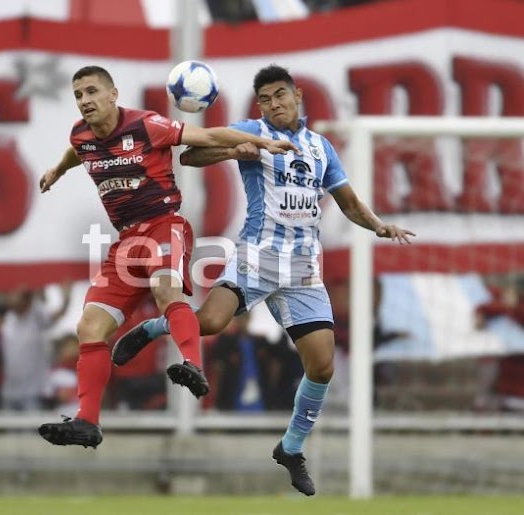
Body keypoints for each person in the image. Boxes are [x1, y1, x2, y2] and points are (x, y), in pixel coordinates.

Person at [112, 64, 415, 495]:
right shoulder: (248, 131)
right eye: (266, 99)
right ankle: (152, 328)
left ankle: (291, 448)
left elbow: (347, 202)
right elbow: (191, 156)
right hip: (258, 255)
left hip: (304, 268)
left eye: (279, 95)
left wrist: (379, 225)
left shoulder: (320, 148)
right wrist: (238, 151)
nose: (273, 104)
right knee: (212, 322)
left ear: (297, 97)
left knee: (322, 365)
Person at [37, 65, 299, 449]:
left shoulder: (147, 125)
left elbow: (207, 135)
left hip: (163, 225)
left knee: (167, 292)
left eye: (92, 91)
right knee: (89, 329)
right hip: (126, 243)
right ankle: (87, 422)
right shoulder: (81, 136)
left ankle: (192, 363)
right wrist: (57, 170)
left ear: (113, 94)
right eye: (78, 95)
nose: (85, 101)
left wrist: (264, 143)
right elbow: (76, 152)